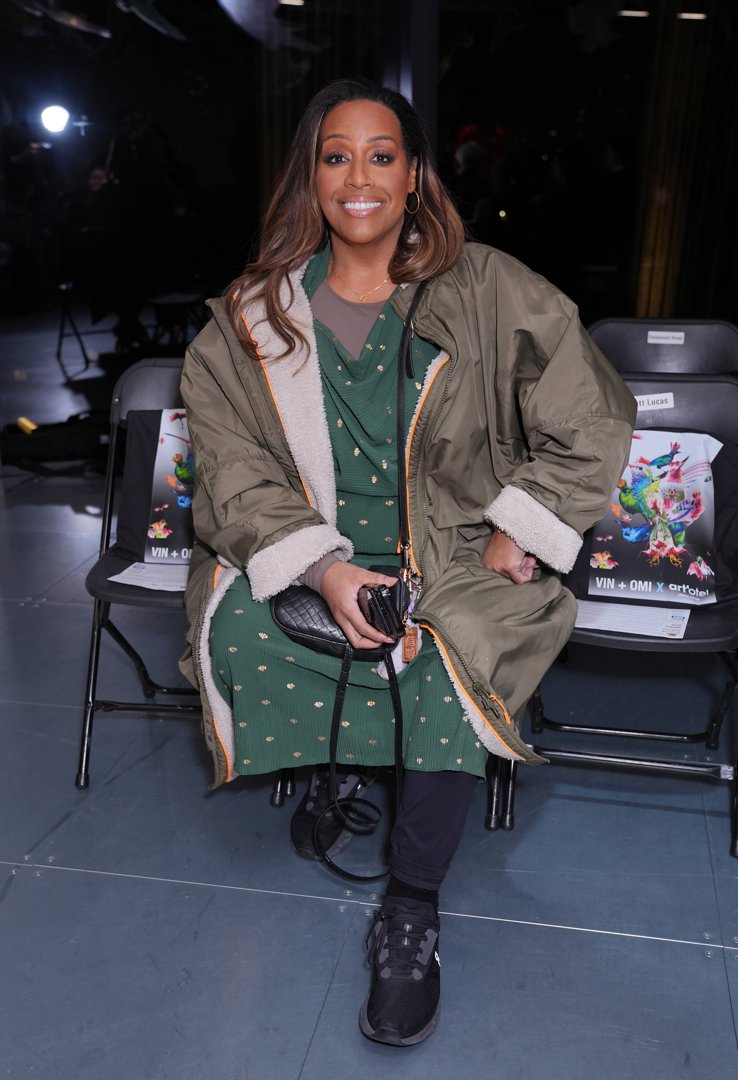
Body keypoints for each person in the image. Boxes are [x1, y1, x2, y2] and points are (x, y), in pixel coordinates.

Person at [179, 78, 636, 1047]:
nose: (359, 177)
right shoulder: (252, 317)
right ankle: (336, 767)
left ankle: (413, 907)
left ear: (415, 173)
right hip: (328, 558)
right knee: (239, 630)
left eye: (381, 155)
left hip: (458, 554)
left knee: (440, 652)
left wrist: (530, 521)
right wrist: (320, 569)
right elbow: (229, 465)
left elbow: (590, 409)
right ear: (310, 175)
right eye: (334, 155)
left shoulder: (484, 288)